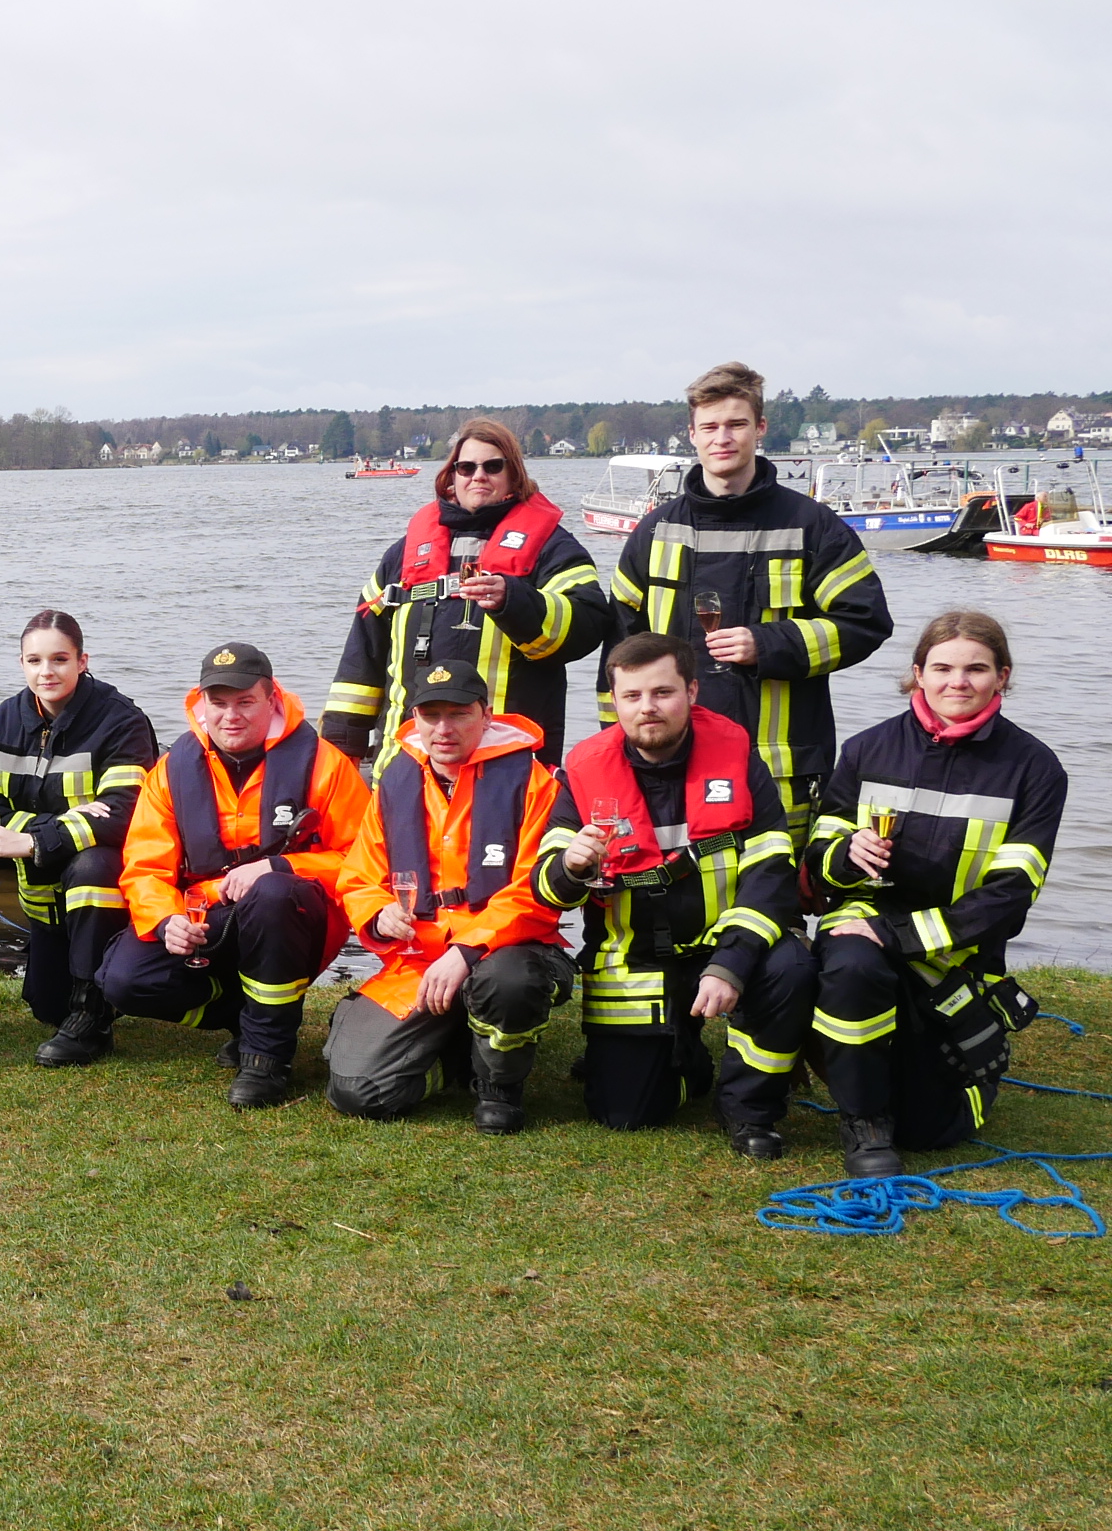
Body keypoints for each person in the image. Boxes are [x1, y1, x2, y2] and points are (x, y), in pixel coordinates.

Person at [805, 611, 1069, 1177]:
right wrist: (845, 857)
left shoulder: (1035, 768)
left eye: (976, 669)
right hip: (860, 932)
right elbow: (819, 858)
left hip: (956, 956)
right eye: (943, 668)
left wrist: (899, 934)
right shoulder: (866, 749)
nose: (958, 682)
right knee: (851, 966)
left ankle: (917, 1074)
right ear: (918, 674)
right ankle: (863, 1123)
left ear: (1002, 676)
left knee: (931, 1133)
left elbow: (1011, 894)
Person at [534, 632, 814, 1158]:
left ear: (691, 691)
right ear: (614, 702)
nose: (648, 708)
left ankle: (749, 1109)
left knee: (791, 966)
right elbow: (548, 892)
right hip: (633, 954)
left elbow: (773, 873)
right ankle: (687, 1062)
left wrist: (732, 962)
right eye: (633, 697)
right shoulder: (584, 770)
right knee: (623, 1115)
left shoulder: (740, 757)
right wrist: (572, 866)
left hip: (728, 942)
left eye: (662, 693)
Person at [601, 362, 892, 825]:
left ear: (760, 429)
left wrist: (769, 644)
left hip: (780, 770)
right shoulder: (655, 532)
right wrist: (614, 747)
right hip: (668, 764)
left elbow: (866, 621)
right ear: (691, 434)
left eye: (736, 424)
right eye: (710, 426)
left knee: (778, 891)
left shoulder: (811, 526)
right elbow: (617, 652)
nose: (723, 438)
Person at [102, 642, 371, 1109]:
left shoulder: (326, 765)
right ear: (201, 703)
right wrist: (168, 921)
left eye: (246, 702)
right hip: (209, 917)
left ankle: (266, 1059)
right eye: (219, 703)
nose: (232, 715)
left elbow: (366, 863)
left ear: (272, 699)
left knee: (270, 894)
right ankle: (247, 1018)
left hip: (294, 917)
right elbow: (145, 865)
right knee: (125, 981)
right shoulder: (171, 770)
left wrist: (281, 864)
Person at [324, 665, 576, 1131]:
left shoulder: (537, 783)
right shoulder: (393, 782)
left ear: (486, 715)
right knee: (357, 1091)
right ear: (413, 717)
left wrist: (467, 950)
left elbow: (535, 892)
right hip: (418, 958)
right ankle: (458, 1063)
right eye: (431, 714)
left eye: (459, 714)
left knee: (510, 982)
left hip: (510, 950)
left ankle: (499, 1087)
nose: (443, 729)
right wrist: (378, 915)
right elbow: (359, 876)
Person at [322, 418, 609, 771]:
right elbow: (360, 660)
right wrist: (340, 747)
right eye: (466, 467)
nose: (478, 476)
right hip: (408, 766)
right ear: (451, 476)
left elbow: (588, 626)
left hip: (508, 770)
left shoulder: (552, 548)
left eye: (492, 466)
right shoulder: (405, 553)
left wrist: (515, 601)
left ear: (513, 475)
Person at [0, 609, 158, 1067]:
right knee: (45, 1007)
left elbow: (125, 814)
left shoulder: (120, 722)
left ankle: (93, 1013)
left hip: (105, 880)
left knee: (94, 861)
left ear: (82, 661)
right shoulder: (4, 720)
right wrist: (57, 827)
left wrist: (33, 839)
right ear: (21, 664)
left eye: (59, 659)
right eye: (34, 661)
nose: (46, 672)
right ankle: (75, 997)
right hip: (44, 889)